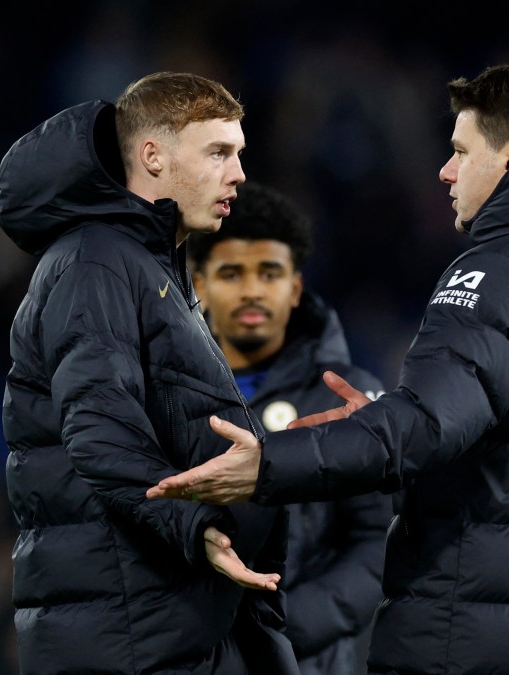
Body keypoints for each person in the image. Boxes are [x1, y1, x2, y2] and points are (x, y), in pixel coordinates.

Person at [149, 60, 509, 674]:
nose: (445, 170)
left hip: (483, 634)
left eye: (460, 150)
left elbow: (426, 426)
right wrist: (385, 421)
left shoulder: (506, 267)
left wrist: (269, 465)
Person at [0, 72, 298, 674]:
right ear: (152, 155)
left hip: (163, 622)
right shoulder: (95, 261)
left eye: (239, 154)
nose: (237, 172)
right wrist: (199, 528)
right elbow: (102, 434)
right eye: (217, 152)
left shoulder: (147, 263)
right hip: (128, 631)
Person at [187, 179, 392, 674]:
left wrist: (279, 630)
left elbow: (379, 541)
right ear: (200, 286)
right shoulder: (161, 392)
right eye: (232, 273)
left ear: (295, 287)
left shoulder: (349, 397)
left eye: (270, 272)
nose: (253, 290)